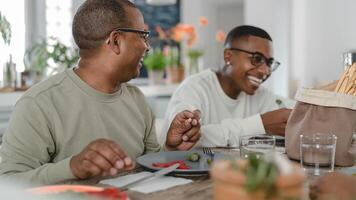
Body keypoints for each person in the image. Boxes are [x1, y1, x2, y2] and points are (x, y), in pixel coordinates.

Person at [0, 0, 201, 185]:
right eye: (142, 36)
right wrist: (72, 167)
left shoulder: (137, 99)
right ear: (115, 41)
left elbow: (150, 169)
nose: (147, 47)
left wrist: (170, 150)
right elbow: (8, 184)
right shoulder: (39, 104)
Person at [160, 25, 293, 147]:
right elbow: (182, 139)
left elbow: (295, 110)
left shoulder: (261, 95)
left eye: (269, 63)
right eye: (257, 59)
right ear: (228, 56)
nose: (265, 71)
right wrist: (260, 125)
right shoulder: (193, 89)